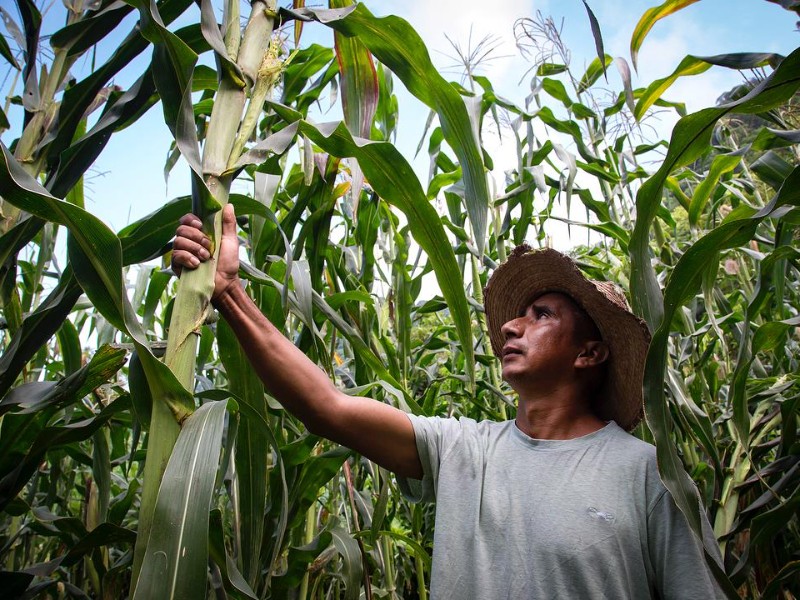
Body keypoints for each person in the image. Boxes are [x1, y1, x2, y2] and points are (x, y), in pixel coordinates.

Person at [173, 204, 726, 599]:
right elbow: (328, 406)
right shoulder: (463, 451)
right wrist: (229, 294)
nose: (511, 325)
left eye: (541, 316)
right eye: (517, 314)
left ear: (589, 353)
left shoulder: (650, 476)